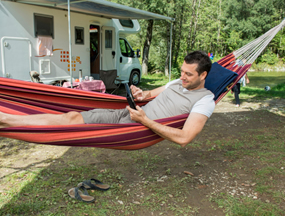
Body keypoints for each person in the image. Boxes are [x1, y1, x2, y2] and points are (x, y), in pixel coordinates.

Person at [0, 51, 215, 147]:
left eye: (188, 74)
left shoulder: (205, 100)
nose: (182, 77)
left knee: (74, 125)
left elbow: (184, 138)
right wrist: (140, 94)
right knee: (73, 116)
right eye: (181, 71)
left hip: (136, 129)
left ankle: (6, 121)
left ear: (203, 75)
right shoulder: (177, 82)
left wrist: (145, 121)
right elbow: (150, 95)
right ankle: (8, 117)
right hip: (128, 114)